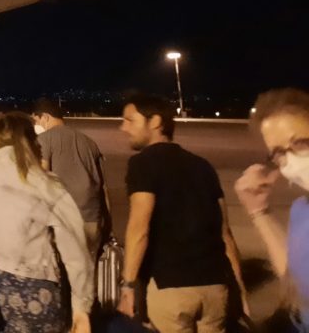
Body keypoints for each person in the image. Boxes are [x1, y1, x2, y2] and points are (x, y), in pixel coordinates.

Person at [0, 112, 93, 333]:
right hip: (37, 289)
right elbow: (75, 249)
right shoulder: (45, 183)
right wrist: (81, 305)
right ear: (28, 142)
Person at [117, 93, 248, 333]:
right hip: (215, 288)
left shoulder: (142, 163)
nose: (123, 127)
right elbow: (224, 233)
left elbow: (139, 229)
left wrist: (128, 285)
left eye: (129, 120)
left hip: (171, 288)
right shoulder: (202, 165)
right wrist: (239, 287)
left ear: (155, 122)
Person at [234, 88, 309, 332]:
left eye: (299, 143)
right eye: (278, 153)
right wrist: (259, 212)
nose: (292, 162)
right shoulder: (302, 210)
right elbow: (295, 278)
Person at [32, 98, 110, 260]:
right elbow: (103, 187)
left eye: (36, 120)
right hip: (92, 219)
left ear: (45, 117)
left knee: (65, 277)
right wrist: (108, 225)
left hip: (64, 222)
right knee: (88, 277)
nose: (35, 125)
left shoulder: (44, 140)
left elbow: (40, 178)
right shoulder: (89, 142)